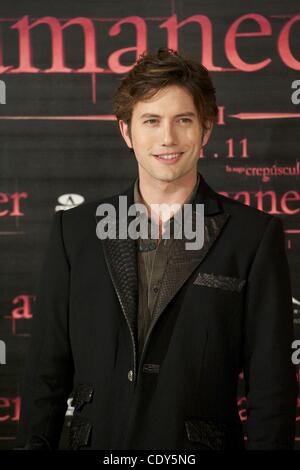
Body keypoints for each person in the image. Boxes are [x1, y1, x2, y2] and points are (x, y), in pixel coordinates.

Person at [16, 48, 297, 450]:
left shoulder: (252, 235)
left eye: (183, 120)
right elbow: (45, 373)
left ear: (206, 130)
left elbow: (272, 390)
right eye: (151, 121)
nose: (168, 138)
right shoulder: (75, 231)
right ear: (126, 132)